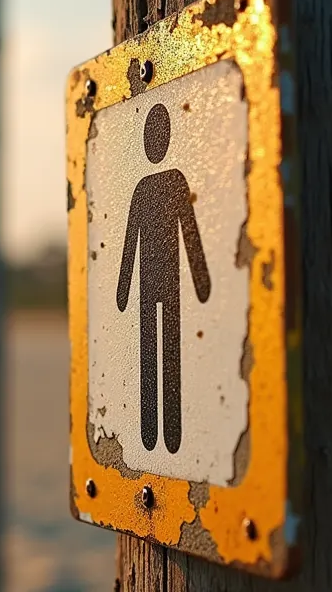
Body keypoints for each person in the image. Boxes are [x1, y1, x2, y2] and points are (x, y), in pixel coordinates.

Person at [117, 103, 211, 454]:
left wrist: (201, 280)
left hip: (170, 283)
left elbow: (190, 232)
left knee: (169, 351)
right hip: (149, 283)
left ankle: (171, 431)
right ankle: (149, 428)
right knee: (149, 353)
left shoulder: (175, 181)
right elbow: (130, 242)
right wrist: (124, 287)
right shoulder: (142, 188)